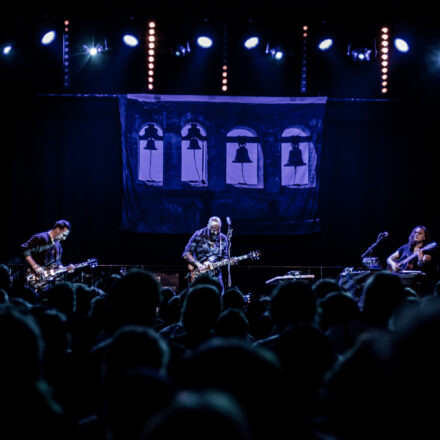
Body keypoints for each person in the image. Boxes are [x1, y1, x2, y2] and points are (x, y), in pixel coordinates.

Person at [20, 219, 74, 289]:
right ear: (57, 229)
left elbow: (57, 263)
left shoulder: (58, 245)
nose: (64, 238)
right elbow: (24, 249)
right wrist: (35, 267)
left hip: (48, 282)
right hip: (33, 278)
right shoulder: (40, 237)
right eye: (64, 235)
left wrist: (65, 269)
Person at [386, 225, 436, 296]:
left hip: (417, 285)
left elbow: (421, 264)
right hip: (400, 282)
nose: (416, 234)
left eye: (420, 233)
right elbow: (389, 258)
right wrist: (393, 264)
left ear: (425, 237)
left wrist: (420, 258)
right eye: (415, 232)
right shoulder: (405, 247)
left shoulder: (427, 251)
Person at [182, 216, 229, 292]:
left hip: (216, 274)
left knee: (219, 298)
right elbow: (186, 253)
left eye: (218, 230)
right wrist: (197, 264)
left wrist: (224, 262)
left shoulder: (223, 238)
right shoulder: (198, 235)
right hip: (199, 273)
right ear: (208, 226)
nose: (215, 233)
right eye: (213, 230)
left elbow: (225, 257)